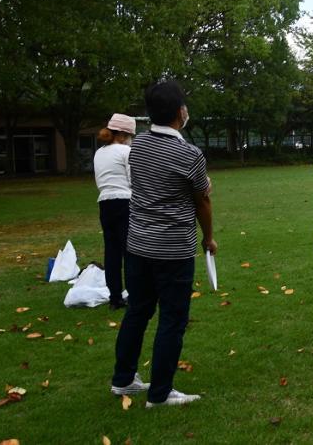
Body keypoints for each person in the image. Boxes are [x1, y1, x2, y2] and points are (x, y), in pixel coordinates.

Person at [110, 81, 217, 408]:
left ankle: (124, 379)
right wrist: (209, 237)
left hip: (138, 244)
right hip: (173, 248)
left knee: (138, 312)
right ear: (180, 112)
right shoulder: (189, 154)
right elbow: (203, 200)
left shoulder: (138, 145)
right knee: (172, 318)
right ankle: (160, 393)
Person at [93, 113, 136, 310]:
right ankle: (134, 294)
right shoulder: (125, 152)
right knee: (130, 252)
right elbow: (132, 181)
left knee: (111, 252)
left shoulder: (99, 153)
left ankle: (115, 298)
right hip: (124, 202)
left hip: (105, 203)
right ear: (123, 134)